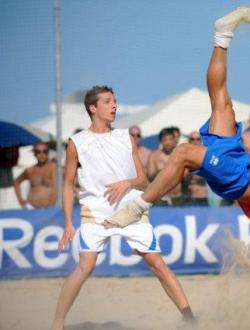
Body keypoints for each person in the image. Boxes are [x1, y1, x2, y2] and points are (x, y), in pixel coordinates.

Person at [103, 7, 250, 229]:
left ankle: (136, 209)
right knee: (222, 103)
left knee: (183, 152)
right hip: (238, 161)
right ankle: (222, 35)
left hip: (239, 182)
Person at [51, 86, 194, 330]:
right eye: (108, 101)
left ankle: (191, 319)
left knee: (157, 264)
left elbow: (142, 180)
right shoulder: (77, 142)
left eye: (115, 101)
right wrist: (67, 222)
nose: (114, 105)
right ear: (93, 108)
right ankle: (57, 324)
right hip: (95, 213)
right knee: (85, 266)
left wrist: (126, 183)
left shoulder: (124, 136)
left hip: (130, 210)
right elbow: (67, 185)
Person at [147, 127, 184, 205]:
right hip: (160, 198)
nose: (167, 143)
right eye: (165, 140)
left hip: (177, 198)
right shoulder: (154, 156)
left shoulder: (180, 155)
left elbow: (186, 176)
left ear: (174, 141)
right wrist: (159, 171)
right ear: (161, 142)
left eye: (170, 139)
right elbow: (150, 177)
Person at [14, 142, 56, 208]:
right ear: (34, 153)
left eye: (44, 151)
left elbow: (57, 188)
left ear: (48, 153)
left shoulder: (54, 168)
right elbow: (16, 182)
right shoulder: (30, 170)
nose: (42, 154)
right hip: (31, 207)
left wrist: (52, 205)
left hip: (49, 208)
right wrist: (20, 200)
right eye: (38, 152)